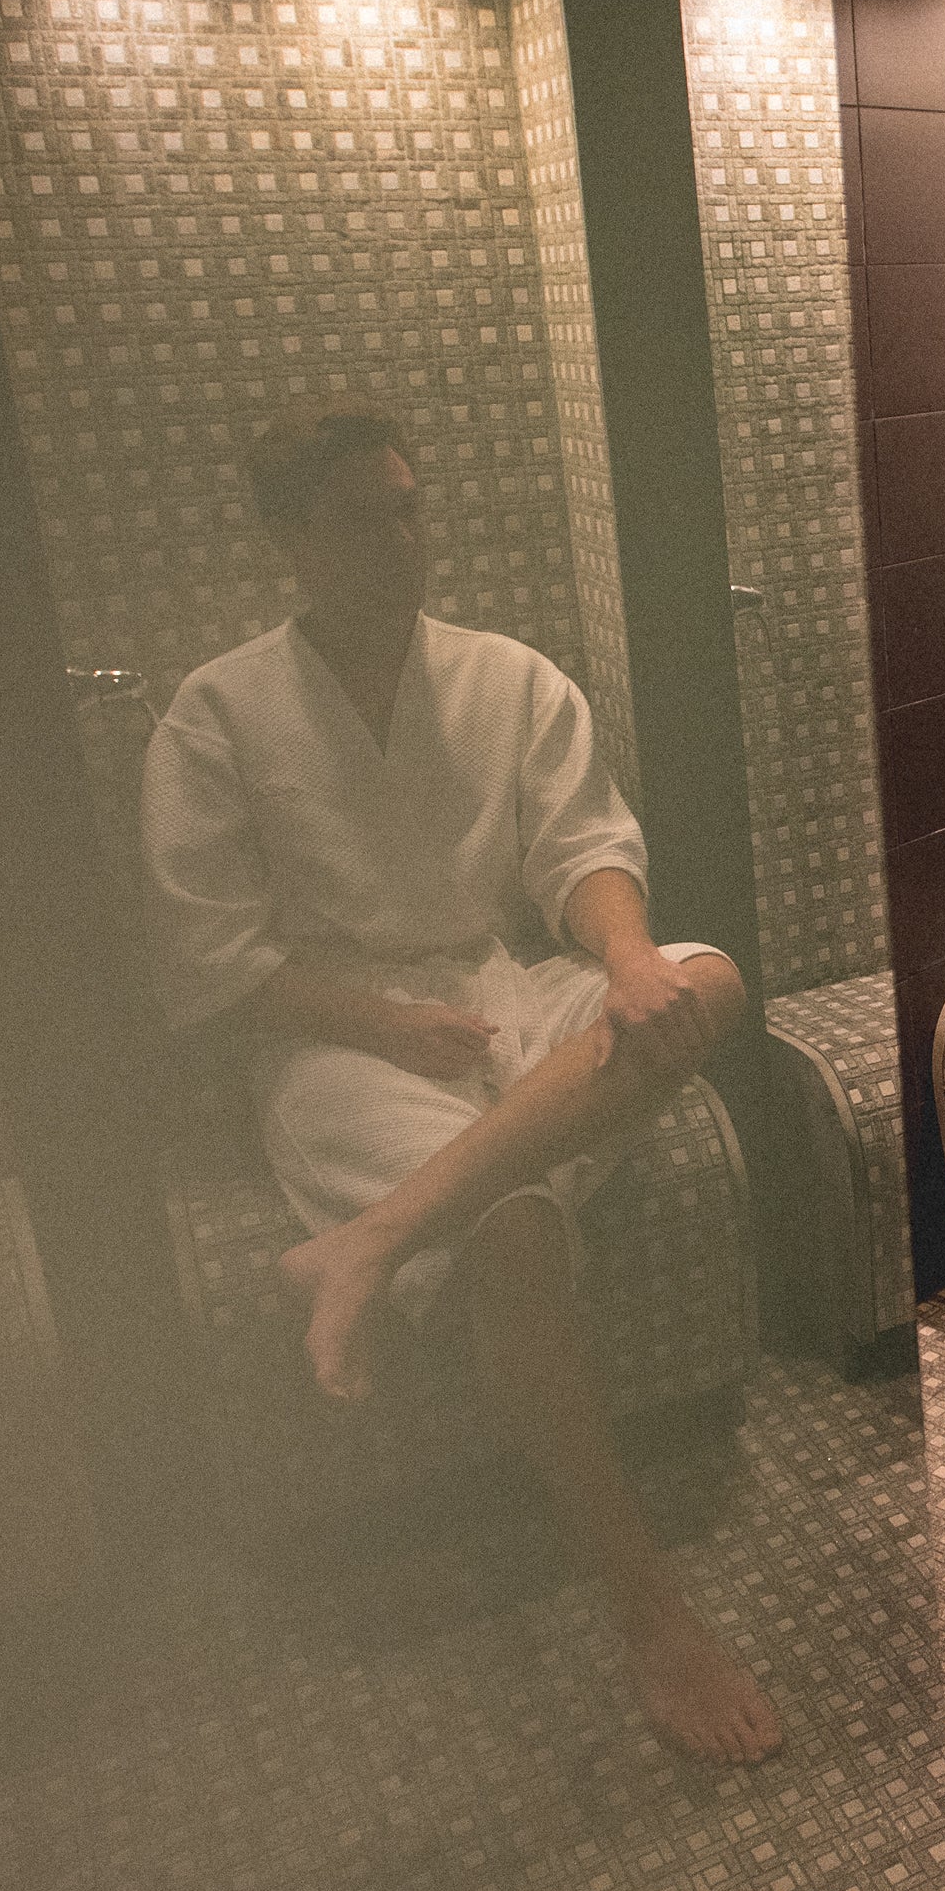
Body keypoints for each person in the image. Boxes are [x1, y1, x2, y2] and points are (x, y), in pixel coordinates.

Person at [140, 398, 778, 1762]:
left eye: (410, 509)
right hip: (329, 1045)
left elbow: (582, 847)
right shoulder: (219, 713)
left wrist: (618, 960)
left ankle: (367, 1240)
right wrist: (373, 1017)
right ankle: (650, 1609)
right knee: (516, 1228)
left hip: (495, 995)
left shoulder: (504, 676)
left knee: (707, 977)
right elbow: (210, 963)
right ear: (290, 540)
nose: (400, 541)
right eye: (364, 518)